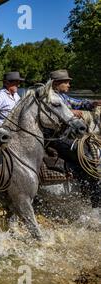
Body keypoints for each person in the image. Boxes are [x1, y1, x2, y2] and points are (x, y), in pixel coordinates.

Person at [46, 69, 100, 210]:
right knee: (85, 155)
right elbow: (50, 117)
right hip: (56, 137)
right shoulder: (49, 98)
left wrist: (94, 103)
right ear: (56, 83)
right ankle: (93, 195)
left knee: (93, 147)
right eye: (66, 82)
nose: (69, 85)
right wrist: (71, 113)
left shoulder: (63, 96)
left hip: (68, 134)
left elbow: (78, 103)